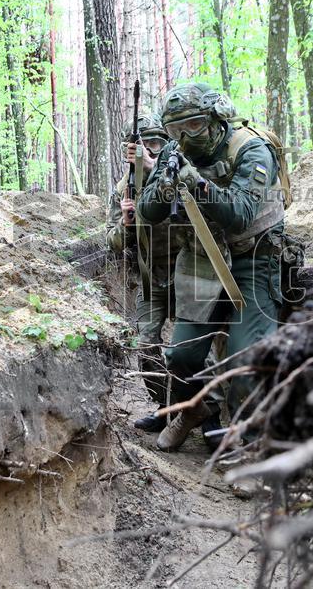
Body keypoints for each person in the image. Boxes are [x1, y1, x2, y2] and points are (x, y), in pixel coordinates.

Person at [137, 82, 284, 452]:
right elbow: (147, 212)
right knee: (181, 356)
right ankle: (193, 410)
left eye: (195, 125)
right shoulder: (175, 150)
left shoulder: (251, 149)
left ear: (217, 118)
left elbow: (240, 214)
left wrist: (197, 184)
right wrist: (165, 184)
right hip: (202, 258)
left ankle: (250, 448)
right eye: (175, 130)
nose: (185, 136)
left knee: (246, 359)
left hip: (255, 259)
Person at [106, 114, 223, 435]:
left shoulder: (177, 175)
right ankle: (168, 407)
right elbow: (112, 241)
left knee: (196, 347)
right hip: (150, 275)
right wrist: (126, 223)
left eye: (156, 143)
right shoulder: (124, 187)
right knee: (146, 346)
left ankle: (211, 414)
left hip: (190, 271)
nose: (149, 150)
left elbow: (204, 215)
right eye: (142, 145)